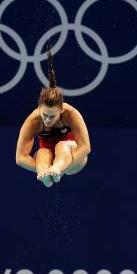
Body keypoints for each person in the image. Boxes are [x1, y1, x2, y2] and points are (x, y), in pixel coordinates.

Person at [15, 50, 91, 187]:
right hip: (50, 162)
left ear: (61, 110)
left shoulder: (71, 114)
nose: (48, 120)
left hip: (73, 156)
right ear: (39, 108)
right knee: (42, 152)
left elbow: (85, 147)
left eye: (52, 116)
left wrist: (63, 168)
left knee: (62, 145)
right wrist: (43, 169)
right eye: (44, 115)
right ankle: (46, 176)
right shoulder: (33, 120)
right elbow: (20, 158)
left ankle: (56, 169)